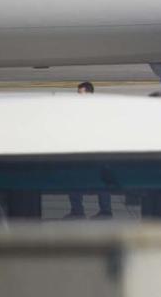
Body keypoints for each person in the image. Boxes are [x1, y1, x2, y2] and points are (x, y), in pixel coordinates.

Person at [66, 81, 114, 219]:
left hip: (94, 151)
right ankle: (78, 210)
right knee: (75, 181)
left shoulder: (95, 110)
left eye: (81, 93)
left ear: (89, 93)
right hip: (81, 150)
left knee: (97, 181)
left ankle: (104, 210)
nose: (79, 96)